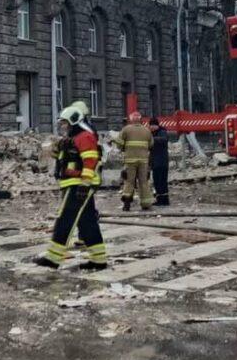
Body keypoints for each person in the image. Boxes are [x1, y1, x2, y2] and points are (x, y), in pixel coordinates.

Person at [34, 101, 107, 270]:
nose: (63, 126)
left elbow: (90, 161)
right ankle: (99, 259)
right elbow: (62, 157)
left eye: (65, 123)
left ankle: (53, 258)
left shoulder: (85, 137)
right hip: (73, 182)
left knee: (65, 218)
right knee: (87, 222)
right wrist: (56, 148)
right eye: (61, 123)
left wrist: (84, 184)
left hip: (79, 184)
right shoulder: (72, 139)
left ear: (74, 121)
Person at [115, 111, 154, 211]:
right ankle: (145, 204)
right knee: (143, 182)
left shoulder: (126, 129)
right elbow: (151, 145)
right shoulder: (147, 130)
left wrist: (124, 148)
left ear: (131, 119)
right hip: (143, 160)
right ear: (140, 119)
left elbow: (119, 144)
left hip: (130, 160)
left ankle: (127, 203)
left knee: (129, 181)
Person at [149, 117, 171, 207]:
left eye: (152, 125)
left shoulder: (162, 132)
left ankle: (164, 200)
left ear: (156, 125)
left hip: (161, 161)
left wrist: (152, 139)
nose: (151, 127)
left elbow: (163, 140)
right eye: (150, 126)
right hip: (155, 161)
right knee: (157, 181)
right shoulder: (153, 133)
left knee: (162, 181)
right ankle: (160, 199)